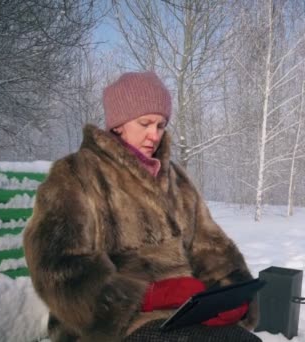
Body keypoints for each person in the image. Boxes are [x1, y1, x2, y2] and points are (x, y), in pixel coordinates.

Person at [23, 72, 260, 342]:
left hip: (185, 313)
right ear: (119, 124)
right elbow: (55, 265)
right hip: (111, 326)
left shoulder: (177, 179)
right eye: (145, 123)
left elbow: (209, 246)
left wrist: (230, 291)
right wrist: (147, 296)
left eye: (160, 125)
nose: (154, 135)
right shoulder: (77, 174)